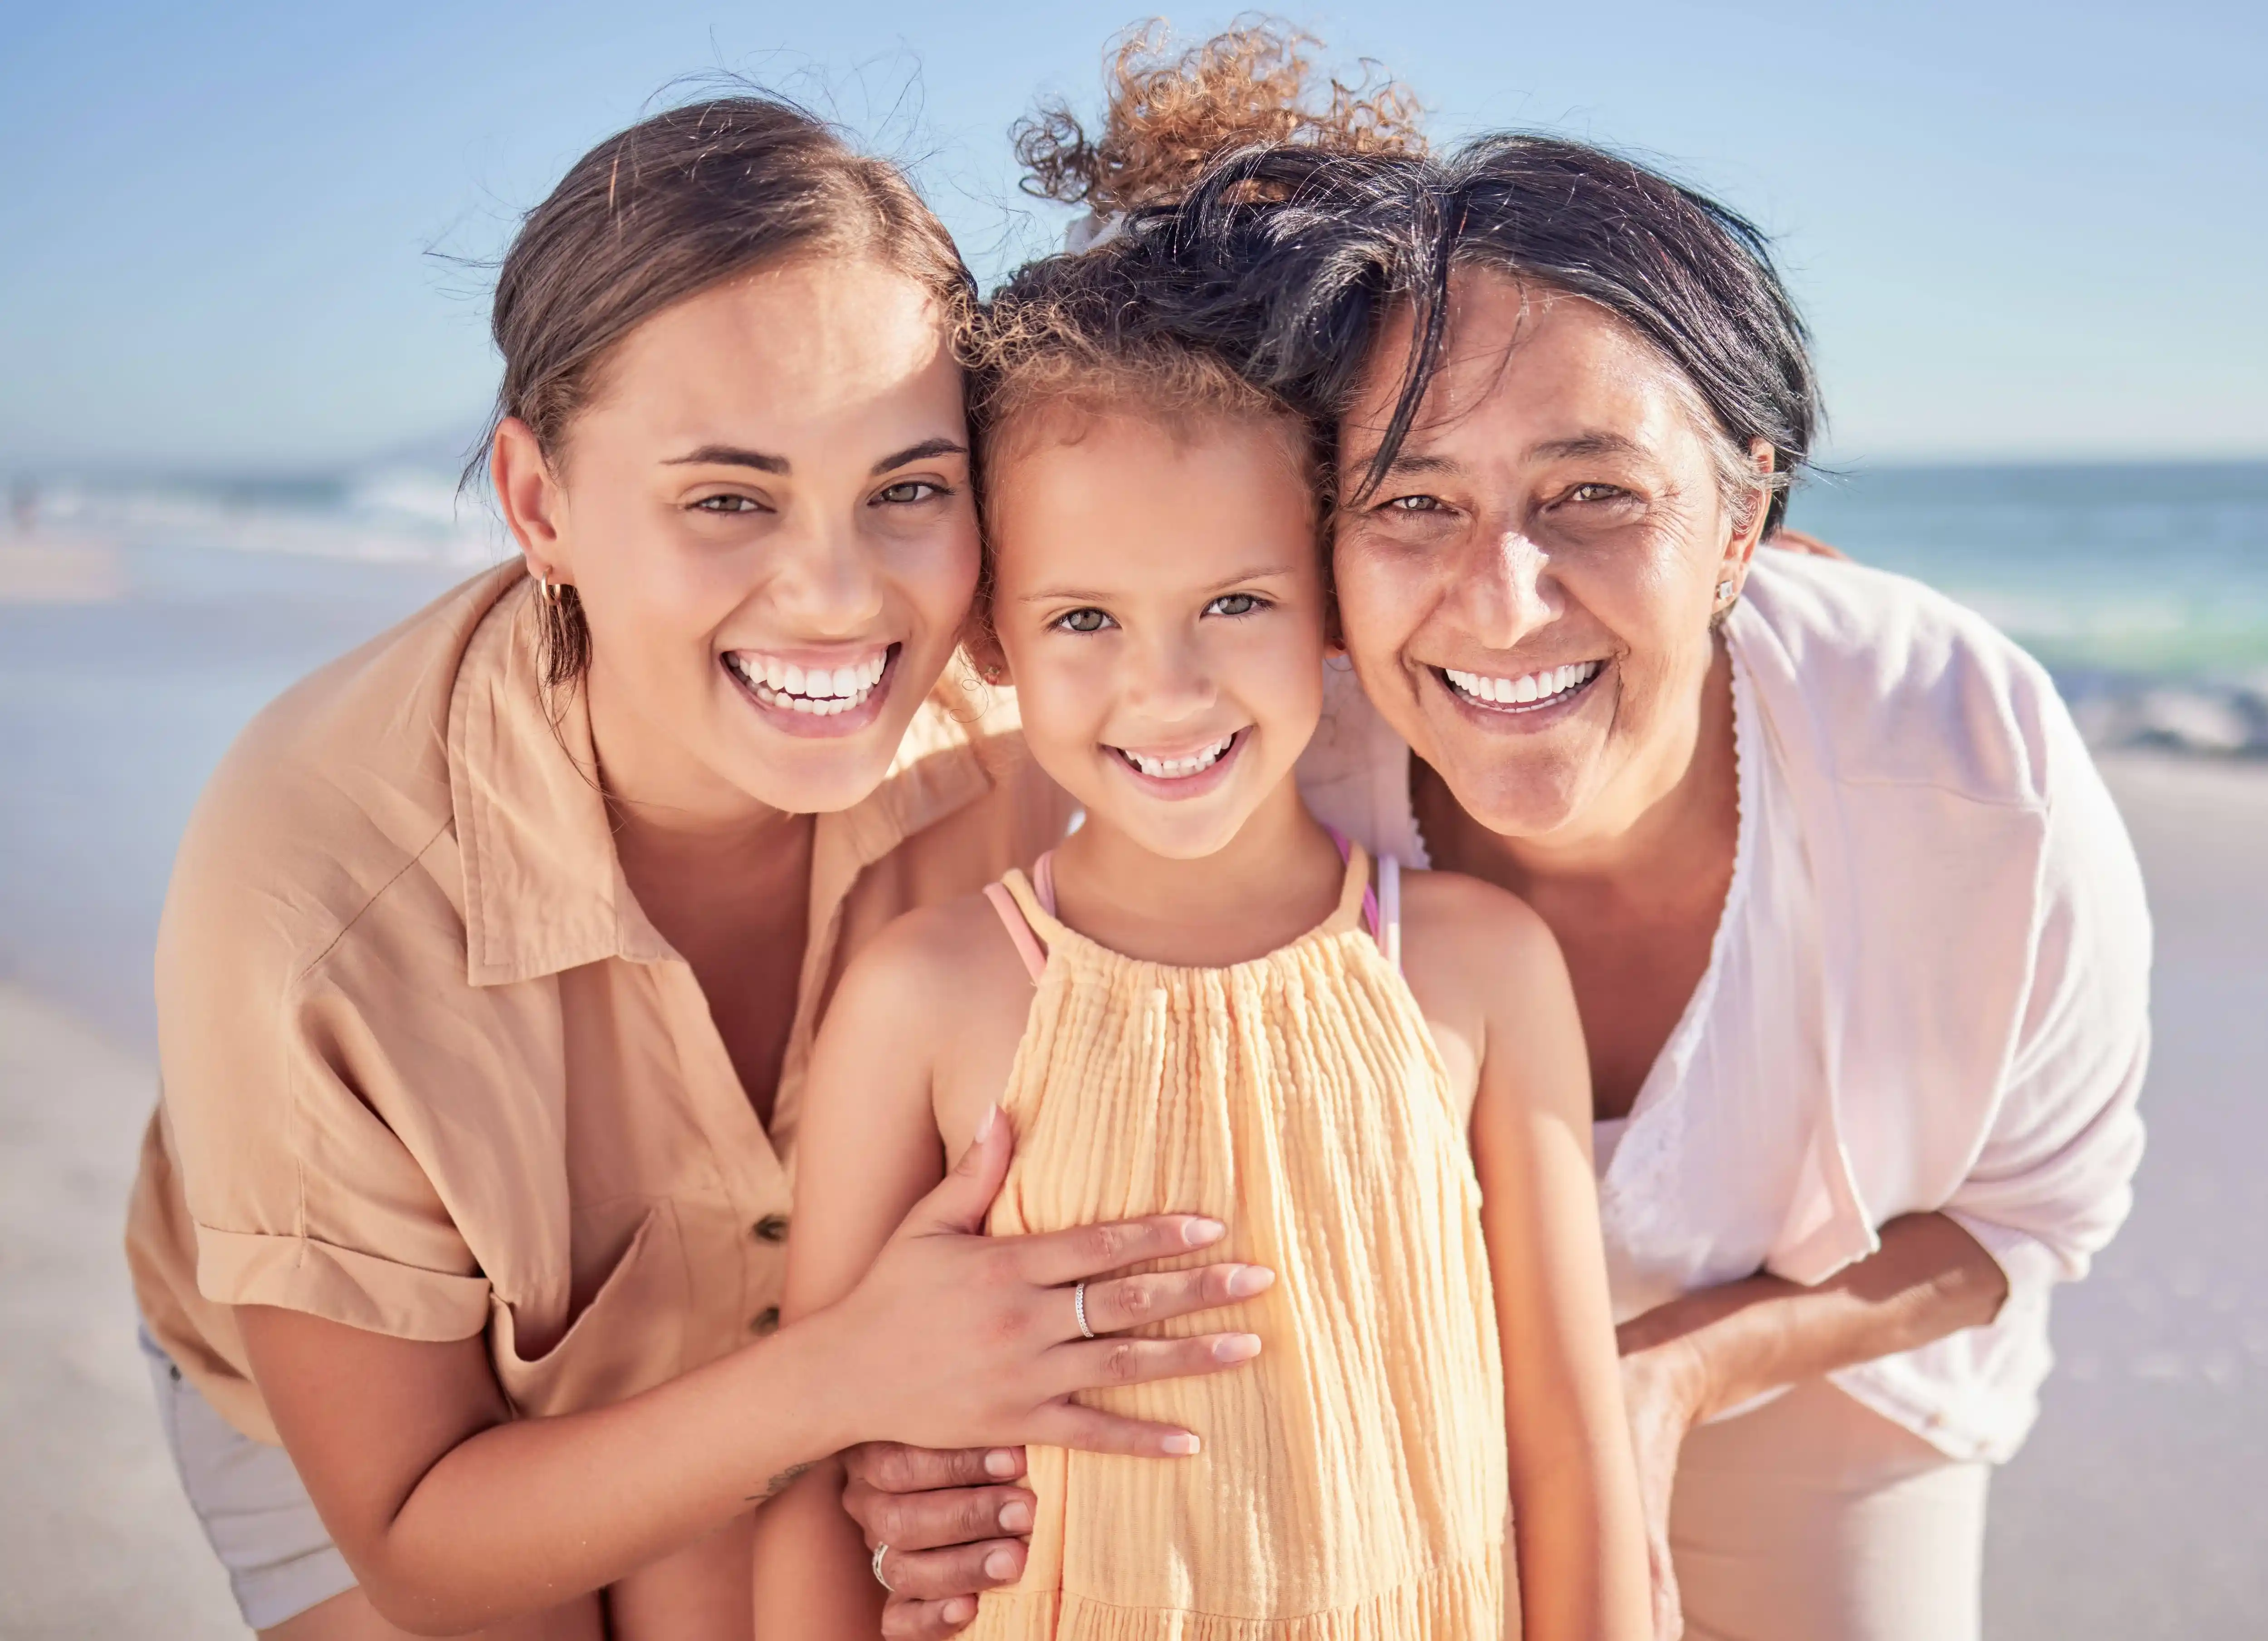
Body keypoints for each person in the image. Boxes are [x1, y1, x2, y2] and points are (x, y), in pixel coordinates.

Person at [849, 39, 2152, 1641]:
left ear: (1743, 521)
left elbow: (2030, 1216)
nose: (1504, 599)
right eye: (1412, 502)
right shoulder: (1248, 727)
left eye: (1594, 493)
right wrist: (895, 1433)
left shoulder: (1962, 769)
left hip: (1830, 1354)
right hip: (1376, 1432)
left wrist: (1669, 1375)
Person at [122, 95, 1268, 1641]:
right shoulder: (319, 889)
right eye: (728, 499)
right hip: (407, 1458)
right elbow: (414, 1538)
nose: (837, 594)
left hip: (839, 1375)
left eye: (909, 490)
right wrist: (857, 1372)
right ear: (541, 506)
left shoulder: (1051, 724)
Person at [748, 123, 1652, 1639]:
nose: (1165, 691)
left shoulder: (1480, 970)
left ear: (1333, 609)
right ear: (993, 643)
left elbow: (1571, 1454)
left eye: (1234, 600)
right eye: (1085, 619)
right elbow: (812, 1472)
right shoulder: (922, 996)